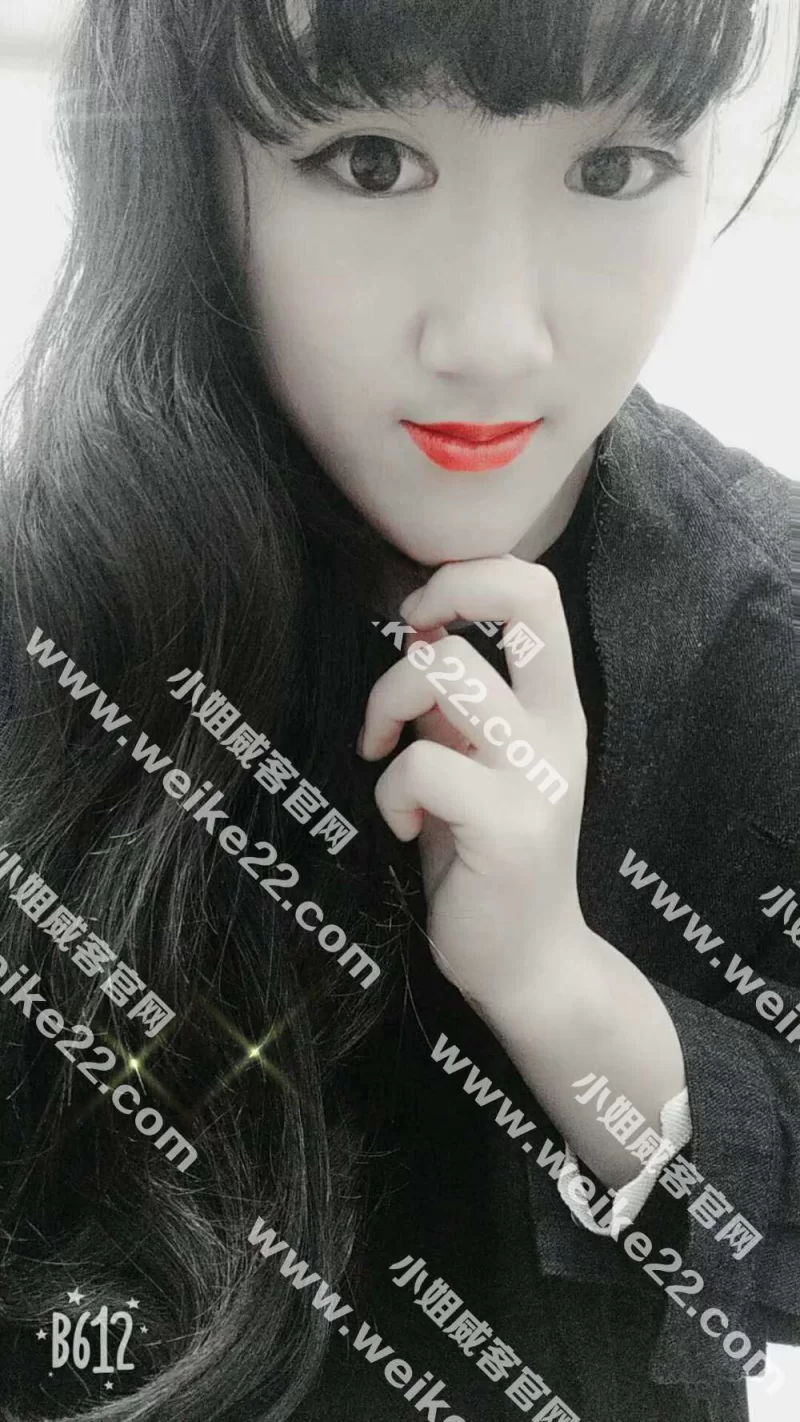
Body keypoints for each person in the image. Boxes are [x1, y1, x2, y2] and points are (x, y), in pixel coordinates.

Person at [0, 0, 798, 1419]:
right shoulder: (44, 603)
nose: (494, 340)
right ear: (185, 164)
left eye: (614, 168)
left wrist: (565, 989)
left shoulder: (764, 632)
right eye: (370, 162)